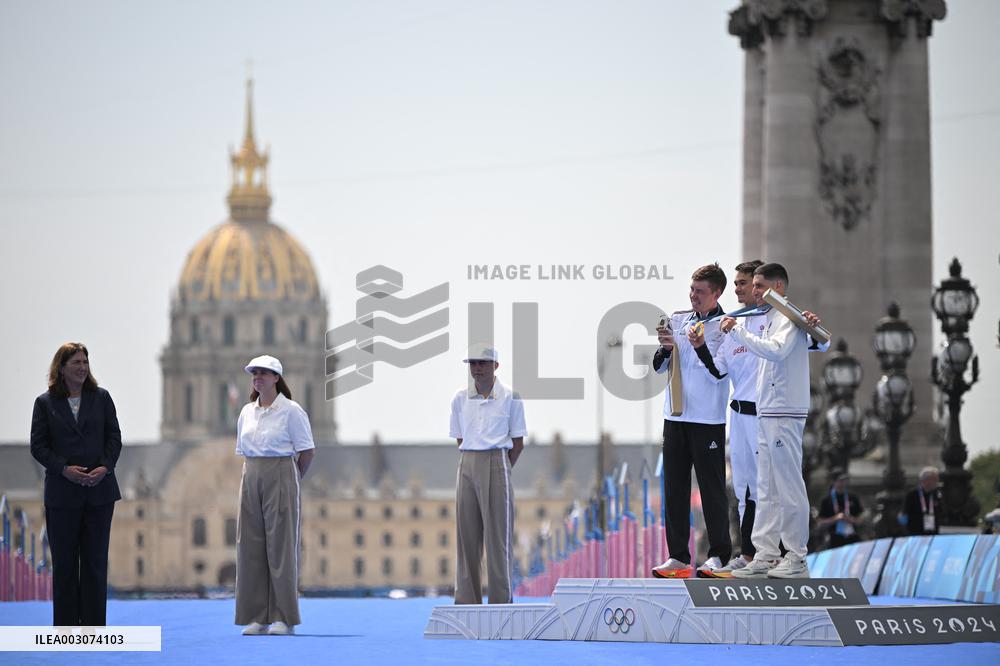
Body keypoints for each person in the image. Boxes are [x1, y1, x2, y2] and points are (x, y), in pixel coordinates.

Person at [723, 263, 825, 579]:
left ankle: (796, 556)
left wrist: (737, 331)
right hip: (767, 411)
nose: (753, 291)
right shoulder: (768, 319)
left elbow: (778, 352)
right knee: (765, 487)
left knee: (788, 485)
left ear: (778, 286)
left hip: (785, 411)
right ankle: (766, 554)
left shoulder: (790, 318)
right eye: (752, 286)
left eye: (759, 285)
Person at [30, 342, 122, 626]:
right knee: (65, 565)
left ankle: (94, 627)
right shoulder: (45, 404)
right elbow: (38, 446)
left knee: (95, 564)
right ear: (61, 368)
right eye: (76, 363)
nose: (82, 367)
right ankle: (66, 627)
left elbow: (114, 438)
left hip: (99, 493)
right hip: (62, 495)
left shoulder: (102, 398)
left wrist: (104, 467)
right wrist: (64, 469)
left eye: (85, 362)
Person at [651, 263, 732, 579]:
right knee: (674, 488)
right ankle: (678, 557)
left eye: (700, 292)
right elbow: (659, 368)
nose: (693, 296)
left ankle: (718, 556)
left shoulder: (726, 325)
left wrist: (699, 348)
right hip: (675, 415)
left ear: (716, 293)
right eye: (691, 290)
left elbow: (720, 371)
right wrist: (665, 347)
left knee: (712, 489)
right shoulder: (678, 318)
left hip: (708, 419)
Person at [685, 260, 765, 577]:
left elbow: (819, 341)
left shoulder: (770, 322)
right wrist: (702, 347)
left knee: (765, 489)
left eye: (744, 283)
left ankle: (774, 553)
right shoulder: (732, 325)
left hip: (765, 414)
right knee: (743, 490)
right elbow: (718, 371)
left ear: (761, 286)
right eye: (737, 283)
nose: (738, 288)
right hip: (738, 415)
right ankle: (747, 554)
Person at [235, 355, 315, 636]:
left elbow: (306, 452)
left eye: (263, 373)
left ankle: (284, 616)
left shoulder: (292, 411)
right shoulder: (246, 412)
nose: (257, 377)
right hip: (252, 474)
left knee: (281, 547)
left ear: (276, 378)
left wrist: (290, 480)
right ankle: (258, 615)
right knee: (251, 547)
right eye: (254, 373)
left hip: (281, 471)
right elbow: (243, 450)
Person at [449, 343, 525, 604]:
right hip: (467, 462)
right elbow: (460, 439)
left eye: (482, 363)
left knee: (498, 540)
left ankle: (501, 602)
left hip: (497, 460)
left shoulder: (511, 397)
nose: (477, 368)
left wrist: (499, 468)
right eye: (472, 363)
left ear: (496, 366)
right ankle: (467, 601)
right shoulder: (459, 398)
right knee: (466, 537)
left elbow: (518, 443)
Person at [816, 470, 864, 548]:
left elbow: (861, 520)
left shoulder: (853, 498)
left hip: (852, 538)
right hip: (834, 539)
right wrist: (836, 519)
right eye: (840, 480)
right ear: (833, 481)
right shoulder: (826, 500)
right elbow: (820, 523)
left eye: (844, 480)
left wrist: (849, 519)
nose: (842, 483)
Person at [901, 466, 942, 535]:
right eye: (935, 480)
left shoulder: (937, 494)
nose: (937, 482)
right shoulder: (912, 495)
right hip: (915, 532)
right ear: (926, 480)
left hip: (933, 532)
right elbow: (905, 513)